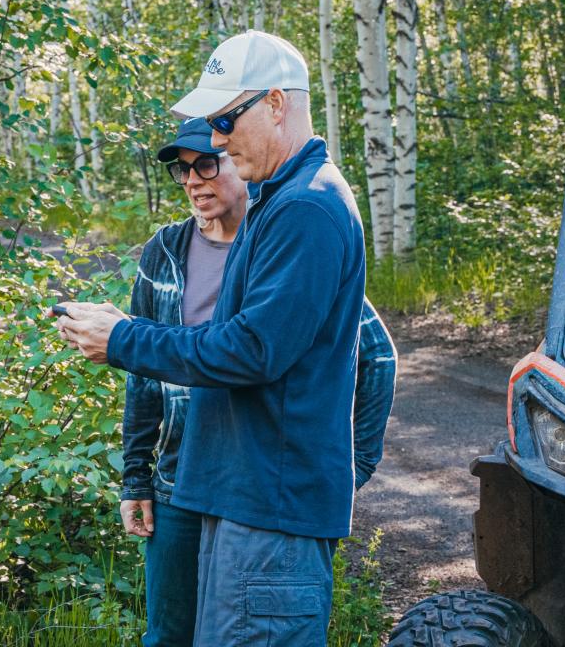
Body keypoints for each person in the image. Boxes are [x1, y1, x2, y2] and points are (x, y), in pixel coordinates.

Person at [57, 30, 367, 646]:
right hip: (241, 504)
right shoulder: (279, 201)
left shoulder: (306, 208)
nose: (216, 140)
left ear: (277, 104)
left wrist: (123, 338)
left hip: (270, 513)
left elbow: (251, 350)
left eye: (225, 120)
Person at [120, 115, 397, 646]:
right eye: (183, 171)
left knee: (247, 625)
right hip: (180, 477)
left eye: (206, 163)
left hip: (256, 483)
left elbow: (376, 357)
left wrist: (350, 465)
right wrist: (137, 476)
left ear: (238, 159)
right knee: (171, 634)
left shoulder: (280, 236)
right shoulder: (167, 250)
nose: (194, 180)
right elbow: (144, 372)